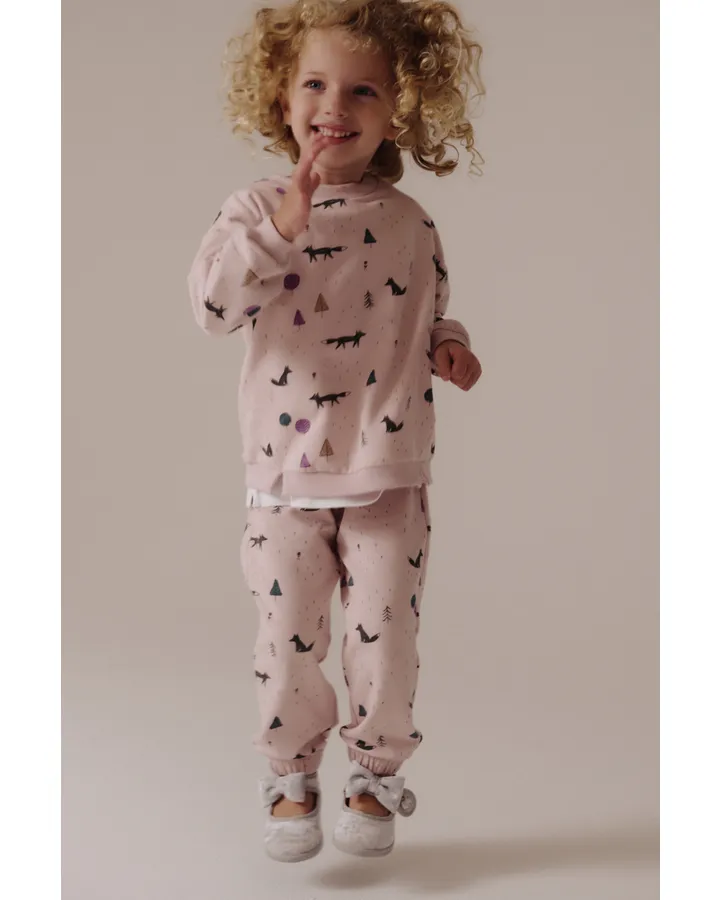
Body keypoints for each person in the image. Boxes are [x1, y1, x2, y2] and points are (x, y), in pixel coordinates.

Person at [188, 0, 485, 863]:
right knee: (286, 637)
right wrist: (282, 228)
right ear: (281, 99)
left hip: (387, 467)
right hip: (283, 476)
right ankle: (290, 773)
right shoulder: (253, 210)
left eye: (363, 91)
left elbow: (426, 309)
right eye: (315, 85)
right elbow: (213, 307)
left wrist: (450, 346)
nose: (335, 106)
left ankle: (373, 775)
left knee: (385, 637)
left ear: (399, 111)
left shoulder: (409, 222)